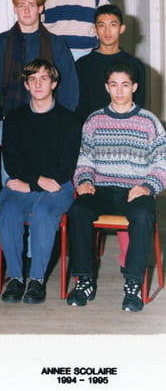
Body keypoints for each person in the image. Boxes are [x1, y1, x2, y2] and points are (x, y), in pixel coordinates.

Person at [67, 62, 166, 312]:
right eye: (114, 85)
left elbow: (162, 164)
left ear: (134, 87)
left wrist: (148, 186)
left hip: (135, 190)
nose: (119, 91)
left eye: (125, 85)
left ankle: (133, 283)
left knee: (143, 215)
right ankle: (84, 279)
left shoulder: (149, 122)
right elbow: (85, 160)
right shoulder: (94, 120)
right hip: (101, 188)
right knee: (78, 210)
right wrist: (85, 181)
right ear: (106, 87)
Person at [0, 59, 82, 305]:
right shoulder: (14, 119)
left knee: (44, 212)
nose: (37, 84)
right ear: (25, 85)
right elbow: (12, 162)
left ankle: (36, 280)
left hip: (59, 185)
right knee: (9, 211)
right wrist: (35, 181)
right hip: (23, 184)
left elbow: (66, 167)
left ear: (54, 83)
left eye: (43, 78)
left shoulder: (70, 121)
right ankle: (15, 277)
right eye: (32, 79)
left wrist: (34, 183)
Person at [0, 0, 78, 122]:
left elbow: (69, 85)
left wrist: (64, 117)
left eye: (32, 5)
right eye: (21, 5)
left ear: (41, 8)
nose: (26, 10)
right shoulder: (0, 43)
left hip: (50, 118)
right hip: (9, 117)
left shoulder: (57, 44)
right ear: (15, 9)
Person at [76, 4, 146, 121]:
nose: (107, 31)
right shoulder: (82, 65)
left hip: (126, 127)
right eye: (102, 25)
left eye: (113, 25)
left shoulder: (135, 65)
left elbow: (139, 106)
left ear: (122, 28)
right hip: (91, 128)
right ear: (95, 29)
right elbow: (78, 105)